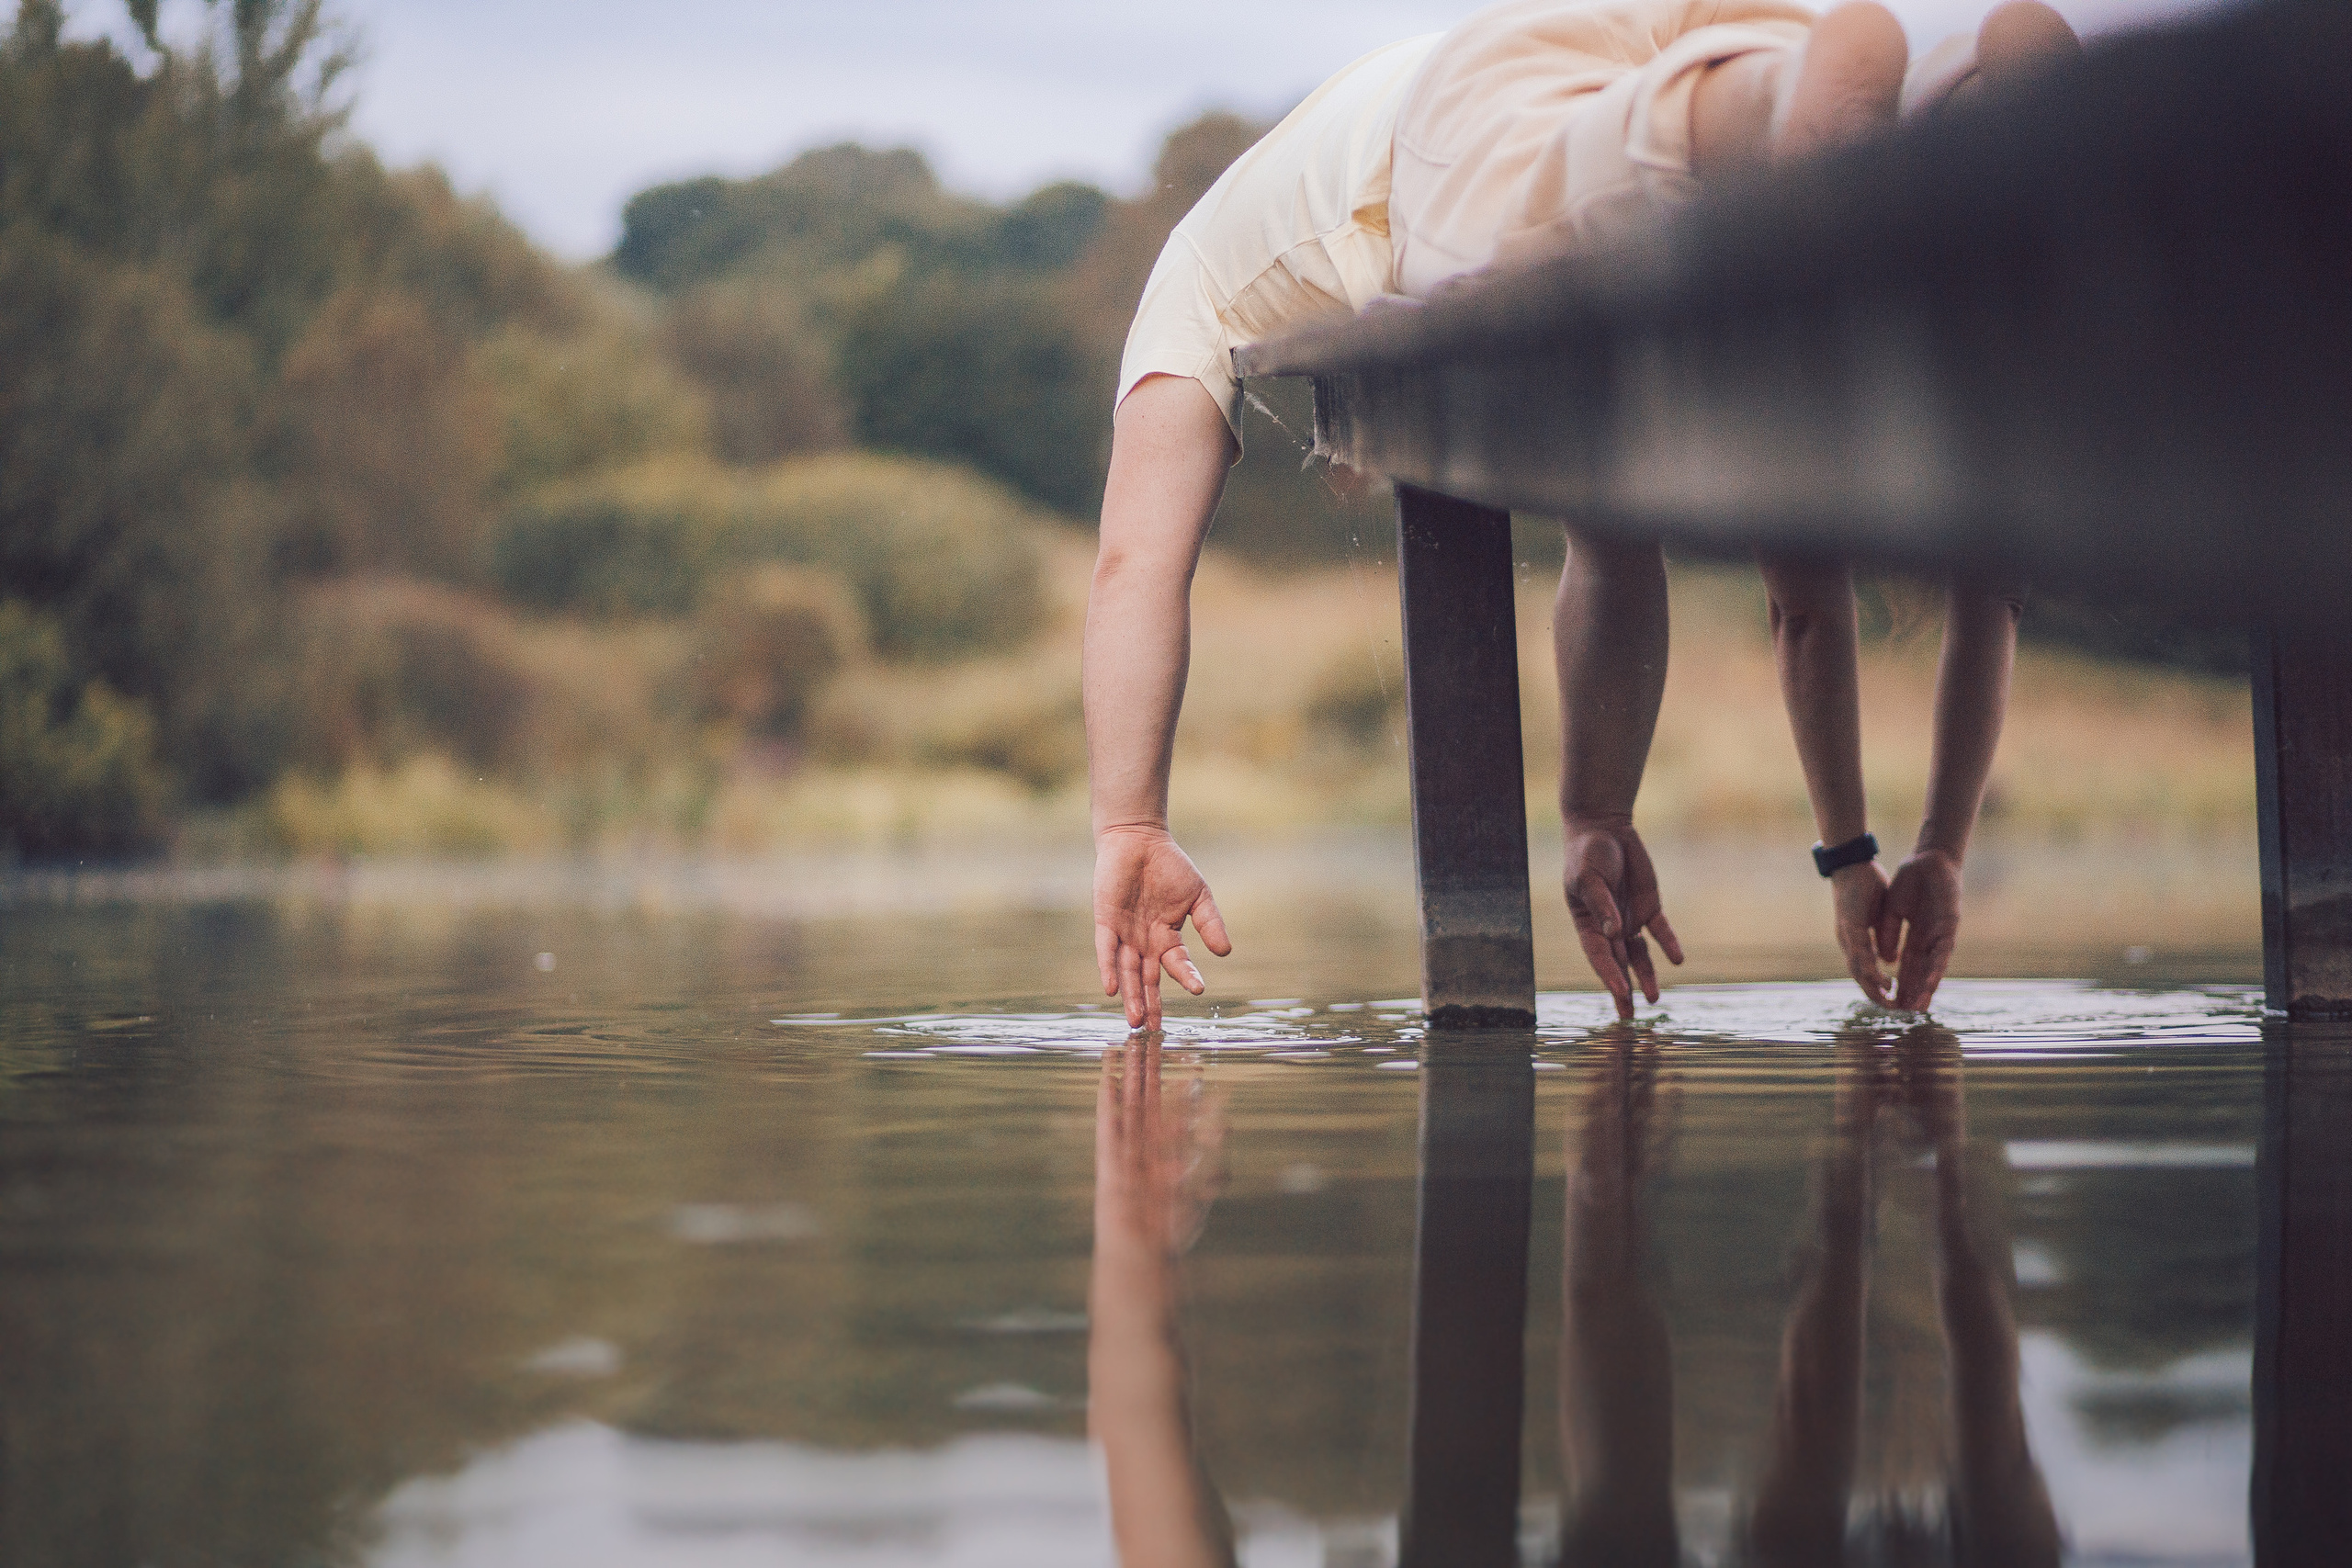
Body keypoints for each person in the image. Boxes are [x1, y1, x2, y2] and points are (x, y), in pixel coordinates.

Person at [1086, 0, 2082, 1029]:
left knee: (1575, 192)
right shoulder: (1327, 135)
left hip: (1474, 116)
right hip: (1622, 35)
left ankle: (1803, 100)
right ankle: (1945, 90)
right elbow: (1648, 550)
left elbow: (1135, 564)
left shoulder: (1192, 279)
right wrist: (1604, 812)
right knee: (1720, 119)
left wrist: (1127, 822)